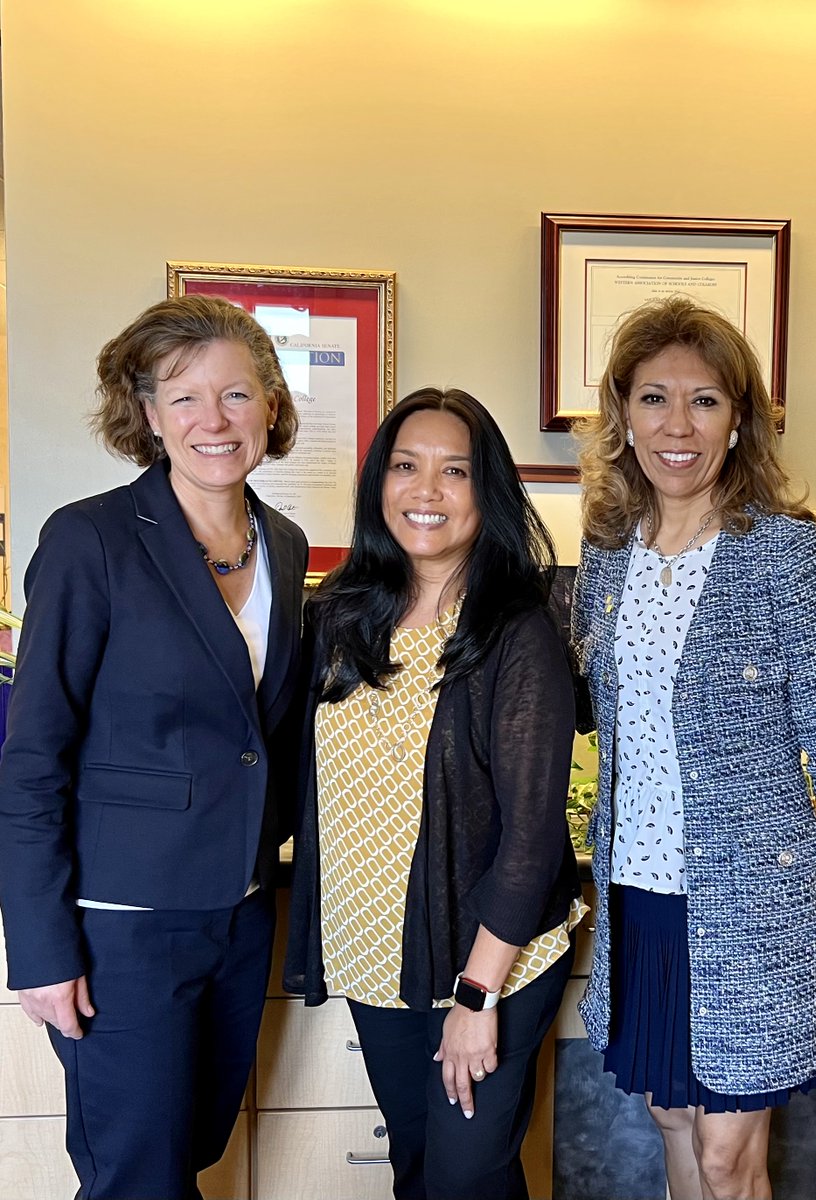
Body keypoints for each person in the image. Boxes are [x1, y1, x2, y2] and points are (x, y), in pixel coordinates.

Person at [570, 296, 816, 1200]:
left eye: (704, 401)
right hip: (638, 889)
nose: (677, 426)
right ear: (622, 414)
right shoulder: (606, 555)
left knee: (725, 1153)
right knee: (670, 1117)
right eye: (654, 398)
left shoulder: (782, 553)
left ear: (738, 419)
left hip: (749, 897)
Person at [0, 295, 309, 1199]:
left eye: (237, 396)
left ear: (272, 407)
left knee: (193, 1149)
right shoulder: (89, 539)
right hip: (122, 926)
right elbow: (31, 757)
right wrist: (43, 948)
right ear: (146, 415)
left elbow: (268, 735)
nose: (213, 421)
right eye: (183, 399)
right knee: (137, 1172)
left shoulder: (283, 546)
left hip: (241, 911)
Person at [285, 387, 583, 1200]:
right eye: (406, 467)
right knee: (418, 1168)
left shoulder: (515, 630)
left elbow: (530, 838)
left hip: (487, 960)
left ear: (486, 493)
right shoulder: (342, 614)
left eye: (455, 472)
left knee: (464, 1177)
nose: (426, 491)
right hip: (374, 954)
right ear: (378, 482)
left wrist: (475, 996)